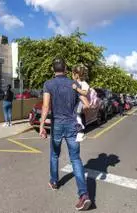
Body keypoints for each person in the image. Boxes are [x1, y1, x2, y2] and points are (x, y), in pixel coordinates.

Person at [39, 58, 92, 211]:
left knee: (55, 154)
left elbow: (46, 105)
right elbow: (87, 104)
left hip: (57, 124)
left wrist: (42, 125)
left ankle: (54, 181)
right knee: (75, 158)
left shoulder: (48, 84)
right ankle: (84, 195)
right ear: (66, 69)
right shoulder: (73, 84)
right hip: (71, 125)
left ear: (52, 69)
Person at [71, 65, 90, 142]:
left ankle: (80, 130)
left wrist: (77, 88)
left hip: (80, 102)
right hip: (77, 102)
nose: (72, 75)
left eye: (72, 74)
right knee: (75, 115)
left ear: (77, 75)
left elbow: (85, 93)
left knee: (76, 115)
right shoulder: (75, 82)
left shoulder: (84, 83)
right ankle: (79, 130)